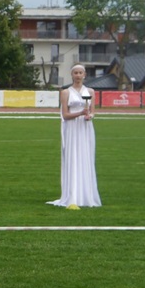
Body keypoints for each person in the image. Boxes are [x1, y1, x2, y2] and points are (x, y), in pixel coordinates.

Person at [48, 64, 100, 207]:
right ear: (72, 75)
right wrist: (80, 113)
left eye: (80, 73)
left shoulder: (90, 91)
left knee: (85, 157)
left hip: (85, 128)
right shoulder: (66, 92)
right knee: (73, 158)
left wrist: (89, 116)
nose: (78, 75)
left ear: (84, 75)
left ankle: (85, 194)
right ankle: (72, 195)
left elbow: (92, 111)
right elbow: (65, 115)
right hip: (72, 129)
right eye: (75, 73)